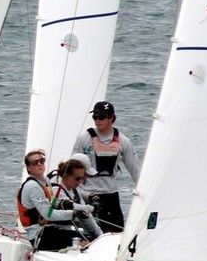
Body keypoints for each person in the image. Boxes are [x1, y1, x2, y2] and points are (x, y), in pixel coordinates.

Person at [71, 101, 140, 233]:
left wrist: (144, 193)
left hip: (110, 195)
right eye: (94, 117)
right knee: (90, 234)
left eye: (101, 117)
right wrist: (73, 193)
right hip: (87, 194)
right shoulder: (83, 138)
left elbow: (135, 169)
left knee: (117, 232)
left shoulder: (123, 141)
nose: (97, 120)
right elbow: (73, 168)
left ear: (111, 118)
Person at [16, 149, 92, 251]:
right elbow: (48, 214)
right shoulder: (32, 186)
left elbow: (53, 202)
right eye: (34, 163)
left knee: (88, 239)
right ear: (29, 168)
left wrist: (69, 204)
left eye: (41, 161)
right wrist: (74, 214)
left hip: (50, 229)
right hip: (39, 235)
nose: (39, 164)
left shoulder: (45, 181)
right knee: (82, 243)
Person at [52, 155, 102, 243]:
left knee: (93, 240)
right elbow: (72, 206)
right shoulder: (56, 189)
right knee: (86, 243)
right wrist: (89, 208)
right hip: (51, 232)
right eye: (78, 178)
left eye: (82, 178)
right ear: (66, 175)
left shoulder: (74, 188)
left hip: (65, 230)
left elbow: (86, 216)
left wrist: (101, 236)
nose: (81, 182)